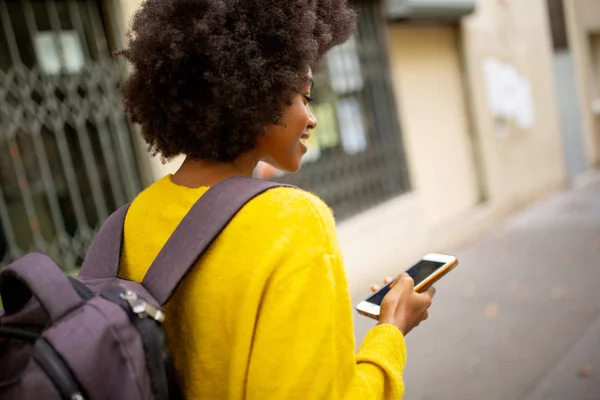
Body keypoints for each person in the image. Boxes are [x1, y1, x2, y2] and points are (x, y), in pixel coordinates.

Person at [116, 0, 435, 398]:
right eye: (304, 96)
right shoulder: (293, 222)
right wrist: (391, 331)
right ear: (254, 91)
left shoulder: (130, 219)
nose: (312, 117)